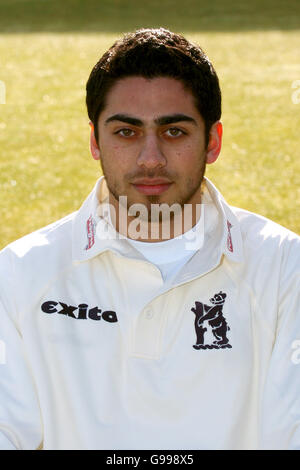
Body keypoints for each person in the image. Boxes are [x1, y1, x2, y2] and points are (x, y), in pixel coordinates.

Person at [0, 28, 299, 451]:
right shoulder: (21, 271)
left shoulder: (285, 266)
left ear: (212, 142)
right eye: (127, 132)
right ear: (94, 141)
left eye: (174, 131)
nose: (151, 158)